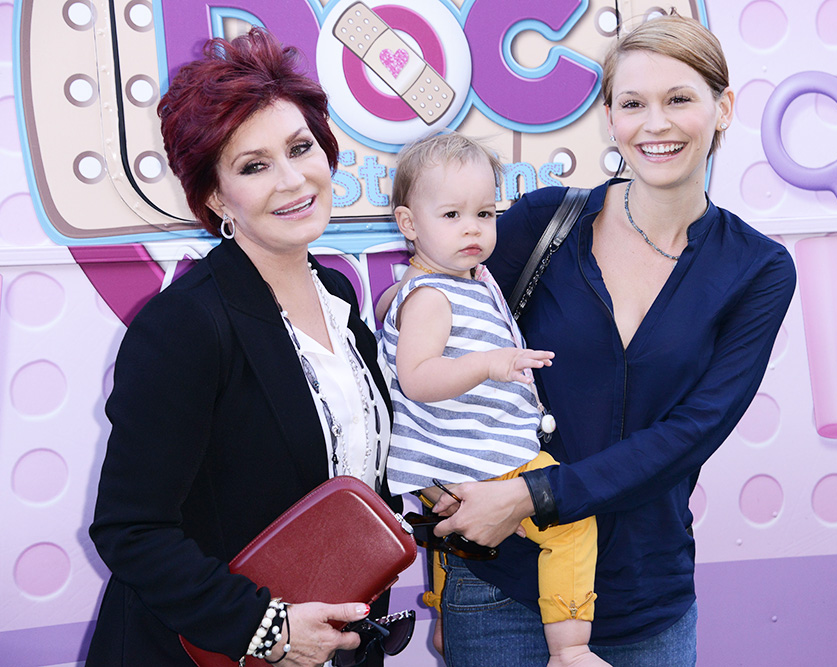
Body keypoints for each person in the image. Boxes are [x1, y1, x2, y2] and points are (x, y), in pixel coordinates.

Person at [428, 14, 797, 666]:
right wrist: (446, 492)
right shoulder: (545, 223)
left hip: (644, 602)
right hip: (501, 586)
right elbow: (432, 355)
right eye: (633, 104)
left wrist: (536, 494)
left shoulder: (758, 269)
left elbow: (691, 431)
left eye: (679, 99)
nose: (655, 124)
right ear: (610, 117)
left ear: (723, 108)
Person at [86, 28, 400, 666]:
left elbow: (345, 470)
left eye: (300, 148)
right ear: (213, 196)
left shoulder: (339, 295)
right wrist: (272, 630)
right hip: (211, 651)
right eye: (254, 166)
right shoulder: (184, 325)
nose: (292, 180)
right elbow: (132, 529)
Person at [378, 133, 606, 667]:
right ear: (410, 225)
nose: (472, 228)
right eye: (452, 214)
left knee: (461, 530)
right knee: (570, 520)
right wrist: (488, 363)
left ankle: (441, 609)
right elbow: (417, 378)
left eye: (485, 212)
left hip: (458, 458)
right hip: (470, 457)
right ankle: (571, 647)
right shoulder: (433, 296)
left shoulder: (465, 282)